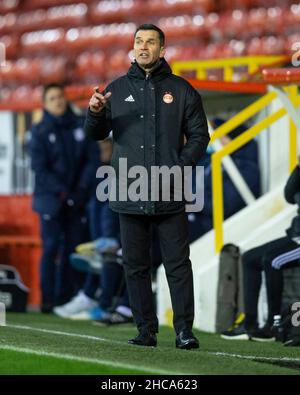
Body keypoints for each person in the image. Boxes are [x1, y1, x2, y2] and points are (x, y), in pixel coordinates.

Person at [84, 24, 210, 348]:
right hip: (130, 190)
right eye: (138, 41)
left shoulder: (183, 91)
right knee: (135, 265)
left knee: (178, 264)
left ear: (162, 49)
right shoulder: (116, 89)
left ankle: (184, 331)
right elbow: (95, 133)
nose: (143, 47)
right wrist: (95, 113)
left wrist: (180, 168)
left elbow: (200, 137)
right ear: (133, 47)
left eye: (150, 42)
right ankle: (145, 331)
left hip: (170, 190)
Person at [30, 83, 100, 313]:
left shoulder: (80, 125)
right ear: (45, 103)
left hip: (77, 199)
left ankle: (66, 296)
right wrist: (63, 193)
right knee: (50, 248)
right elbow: (39, 168)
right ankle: (47, 299)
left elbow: (92, 160)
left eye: (60, 96)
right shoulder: (39, 132)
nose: (58, 101)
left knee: (72, 248)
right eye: (52, 98)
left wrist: (79, 191)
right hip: (50, 199)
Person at [221, 160, 300, 341]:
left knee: (273, 260)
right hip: (295, 235)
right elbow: (289, 196)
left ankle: (273, 324)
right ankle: (249, 323)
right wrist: (298, 168)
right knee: (249, 258)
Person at [188, 119, 261, 241]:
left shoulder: (246, 170)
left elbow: (222, 205)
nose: (212, 140)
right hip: (192, 217)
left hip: (209, 227)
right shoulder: (209, 160)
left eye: (219, 135)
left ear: (233, 139)